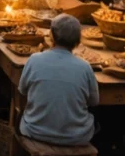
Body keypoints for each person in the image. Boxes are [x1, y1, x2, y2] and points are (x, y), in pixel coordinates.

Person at [18, 14, 100, 147]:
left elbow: (22, 91)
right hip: (76, 137)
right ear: (78, 41)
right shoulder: (85, 67)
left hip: (34, 131)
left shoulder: (34, 59)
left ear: (52, 36)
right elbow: (94, 102)